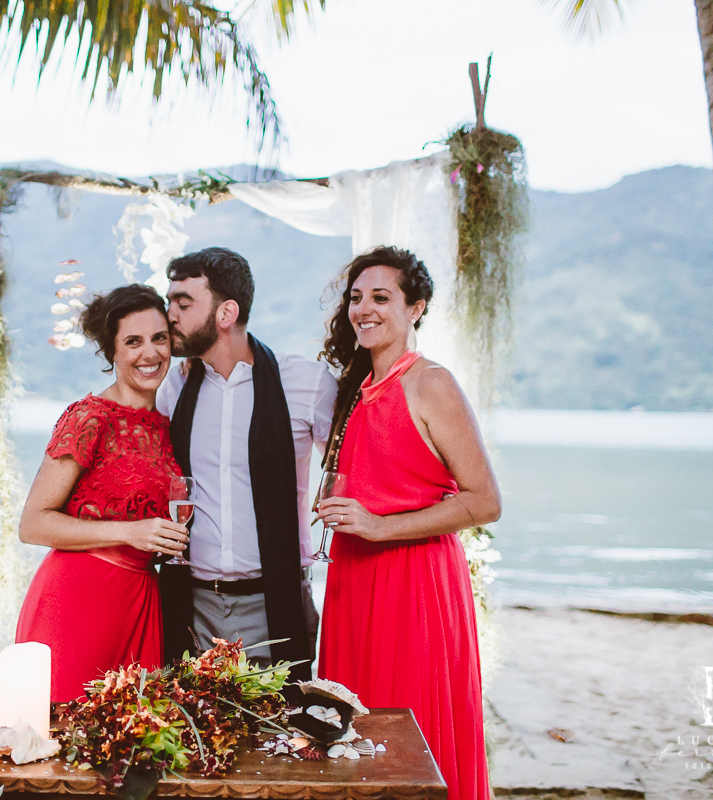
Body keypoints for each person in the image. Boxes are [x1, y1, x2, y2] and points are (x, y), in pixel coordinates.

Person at [316, 246, 500, 800]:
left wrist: (378, 525)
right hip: (354, 580)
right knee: (358, 730)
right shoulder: (356, 388)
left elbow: (484, 501)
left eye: (381, 297)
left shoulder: (430, 383)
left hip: (413, 582)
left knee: (408, 737)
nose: (363, 309)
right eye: (356, 298)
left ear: (415, 307)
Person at [156, 247, 336, 681]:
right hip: (190, 603)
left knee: (283, 739)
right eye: (169, 304)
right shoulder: (173, 388)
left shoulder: (307, 384)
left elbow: (349, 470)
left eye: (183, 304)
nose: (169, 317)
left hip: (276, 603)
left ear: (226, 313)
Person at [15, 284, 190, 703]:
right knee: (64, 740)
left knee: (132, 747)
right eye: (133, 342)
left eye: (159, 338)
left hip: (140, 601)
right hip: (77, 602)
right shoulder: (90, 418)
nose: (150, 354)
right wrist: (130, 533)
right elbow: (33, 523)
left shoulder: (167, 425)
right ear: (111, 352)